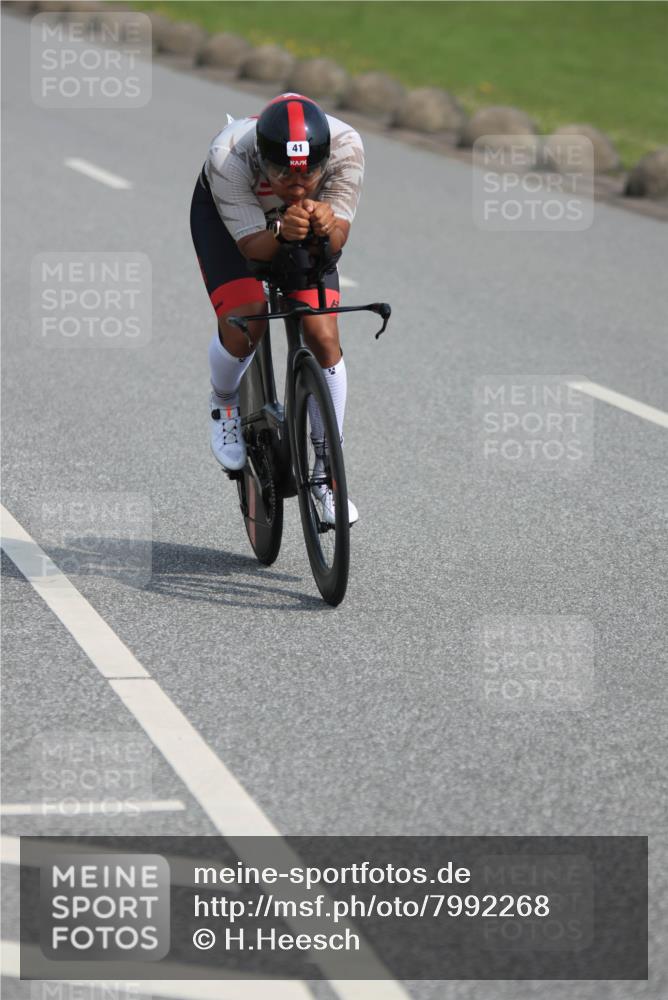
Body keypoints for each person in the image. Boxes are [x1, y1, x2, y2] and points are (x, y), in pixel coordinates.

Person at [190, 92, 365, 524]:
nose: (299, 185)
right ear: (262, 162)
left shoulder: (346, 147)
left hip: (299, 227)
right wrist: (284, 235)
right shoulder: (229, 156)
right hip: (231, 223)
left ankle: (327, 475)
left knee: (323, 335)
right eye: (284, 175)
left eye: (310, 175)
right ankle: (225, 401)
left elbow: (338, 236)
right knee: (246, 319)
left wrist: (327, 228)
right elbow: (253, 247)